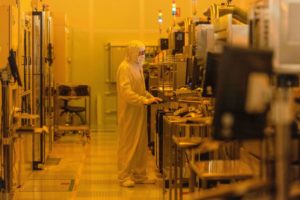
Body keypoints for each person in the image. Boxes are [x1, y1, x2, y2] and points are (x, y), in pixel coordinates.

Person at [116, 40, 162, 187]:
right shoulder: (125, 68)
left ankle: (140, 175)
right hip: (129, 112)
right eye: (140, 53)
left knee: (141, 145)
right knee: (128, 144)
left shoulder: (138, 66)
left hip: (139, 111)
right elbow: (126, 92)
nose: (143, 55)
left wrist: (148, 97)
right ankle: (124, 176)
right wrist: (143, 99)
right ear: (132, 52)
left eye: (144, 52)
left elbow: (139, 89)